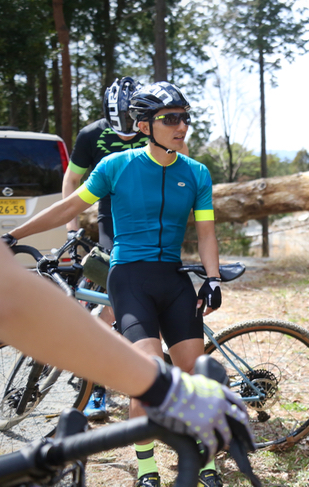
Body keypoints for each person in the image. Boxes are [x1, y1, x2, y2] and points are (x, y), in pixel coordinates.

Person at [2, 81, 225, 487]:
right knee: (148, 370)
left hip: (173, 277)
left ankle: (203, 456)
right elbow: (68, 206)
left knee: (194, 371)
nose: (182, 126)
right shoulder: (115, 167)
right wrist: (14, 236)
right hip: (130, 277)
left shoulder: (196, 173)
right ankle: (146, 468)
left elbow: (206, 233)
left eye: (184, 118)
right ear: (144, 126)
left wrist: (212, 278)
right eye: (170, 118)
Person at [0, 240, 251, 479]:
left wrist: (157, 385)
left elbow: (13, 303)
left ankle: (201, 457)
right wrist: (160, 386)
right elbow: (13, 303)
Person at [63, 76, 149, 421]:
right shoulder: (90, 135)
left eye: (133, 127)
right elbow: (72, 179)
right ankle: (95, 386)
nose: (128, 135)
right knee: (109, 295)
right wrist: (71, 230)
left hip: (150, 221)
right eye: (120, 129)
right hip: (112, 221)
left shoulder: (153, 125)